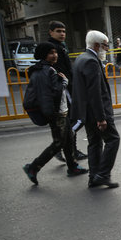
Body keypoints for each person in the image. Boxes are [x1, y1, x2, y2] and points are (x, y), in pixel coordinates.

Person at [22, 42, 88, 184]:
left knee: (69, 139)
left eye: (55, 52)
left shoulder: (47, 69)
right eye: (51, 53)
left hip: (60, 112)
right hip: (56, 114)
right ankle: (33, 167)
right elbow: (48, 95)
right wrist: (64, 82)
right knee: (58, 143)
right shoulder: (45, 71)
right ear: (43, 55)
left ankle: (72, 167)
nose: (55, 55)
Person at [71, 30, 121, 188]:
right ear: (97, 45)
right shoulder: (91, 61)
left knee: (94, 142)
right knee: (113, 139)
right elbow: (94, 92)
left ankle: (94, 176)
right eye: (105, 46)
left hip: (87, 112)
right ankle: (103, 174)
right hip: (96, 112)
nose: (106, 50)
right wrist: (101, 118)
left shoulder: (81, 58)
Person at [47, 20, 87, 162]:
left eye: (64, 31)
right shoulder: (52, 48)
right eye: (58, 31)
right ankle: (63, 147)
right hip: (64, 90)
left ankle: (66, 149)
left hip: (67, 88)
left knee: (71, 119)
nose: (62, 34)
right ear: (51, 32)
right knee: (78, 118)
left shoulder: (61, 46)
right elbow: (58, 71)